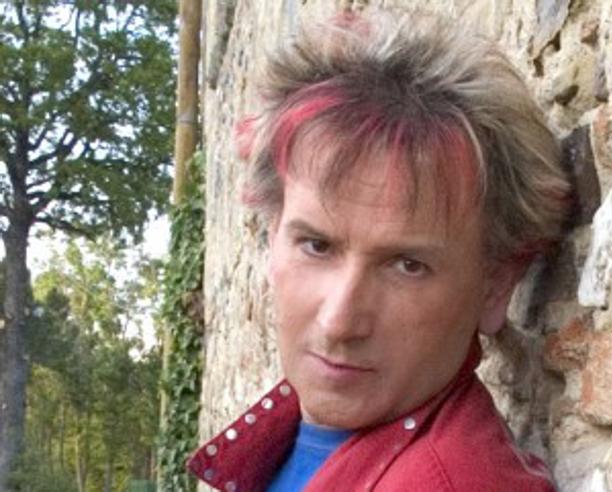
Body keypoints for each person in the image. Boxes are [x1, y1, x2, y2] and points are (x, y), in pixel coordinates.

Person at [187, 7, 571, 492]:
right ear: (272, 236)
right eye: (316, 245)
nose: (339, 322)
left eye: (408, 266)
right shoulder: (294, 439)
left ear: (496, 286)